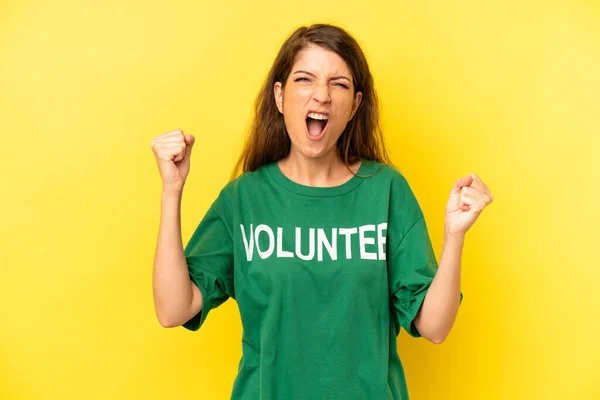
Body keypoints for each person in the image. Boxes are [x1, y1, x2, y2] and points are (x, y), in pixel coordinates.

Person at [151, 23, 493, 400]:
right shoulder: (244, 199)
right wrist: (172, 191)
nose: (321, 95)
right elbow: (173, 310)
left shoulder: (386, 191)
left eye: (339, 84)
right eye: (304, 79)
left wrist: (455, 235)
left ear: (355, 106)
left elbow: (434, 327)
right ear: (279, 96)